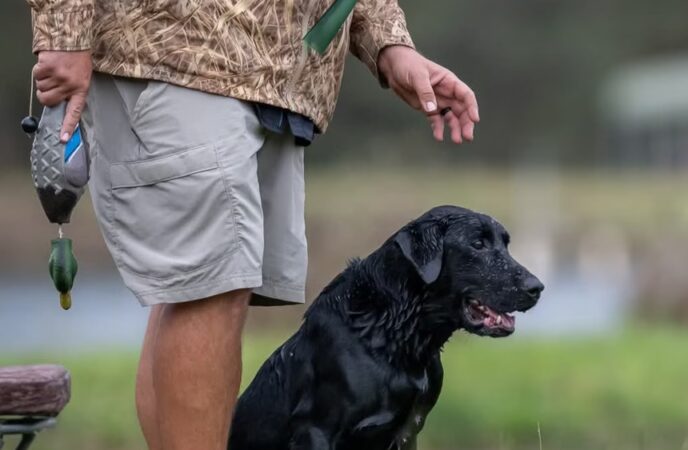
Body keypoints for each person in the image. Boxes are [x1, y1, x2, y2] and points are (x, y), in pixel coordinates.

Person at [25, 1, 479, 449]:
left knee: (197, 291)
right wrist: (65, 33)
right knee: (208, 288)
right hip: (173, 46)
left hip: (280, 76)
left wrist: (388, 43)